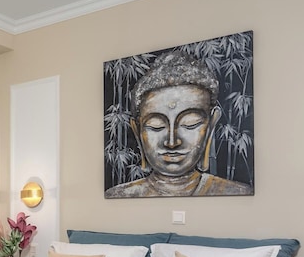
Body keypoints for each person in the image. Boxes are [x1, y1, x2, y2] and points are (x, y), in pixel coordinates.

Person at [106, 50, 252, 198]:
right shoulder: (118, 195)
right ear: (137, 130)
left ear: (211, 124)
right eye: (156, 126)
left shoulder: (237, 192)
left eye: (190, 124)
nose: (172, 142)